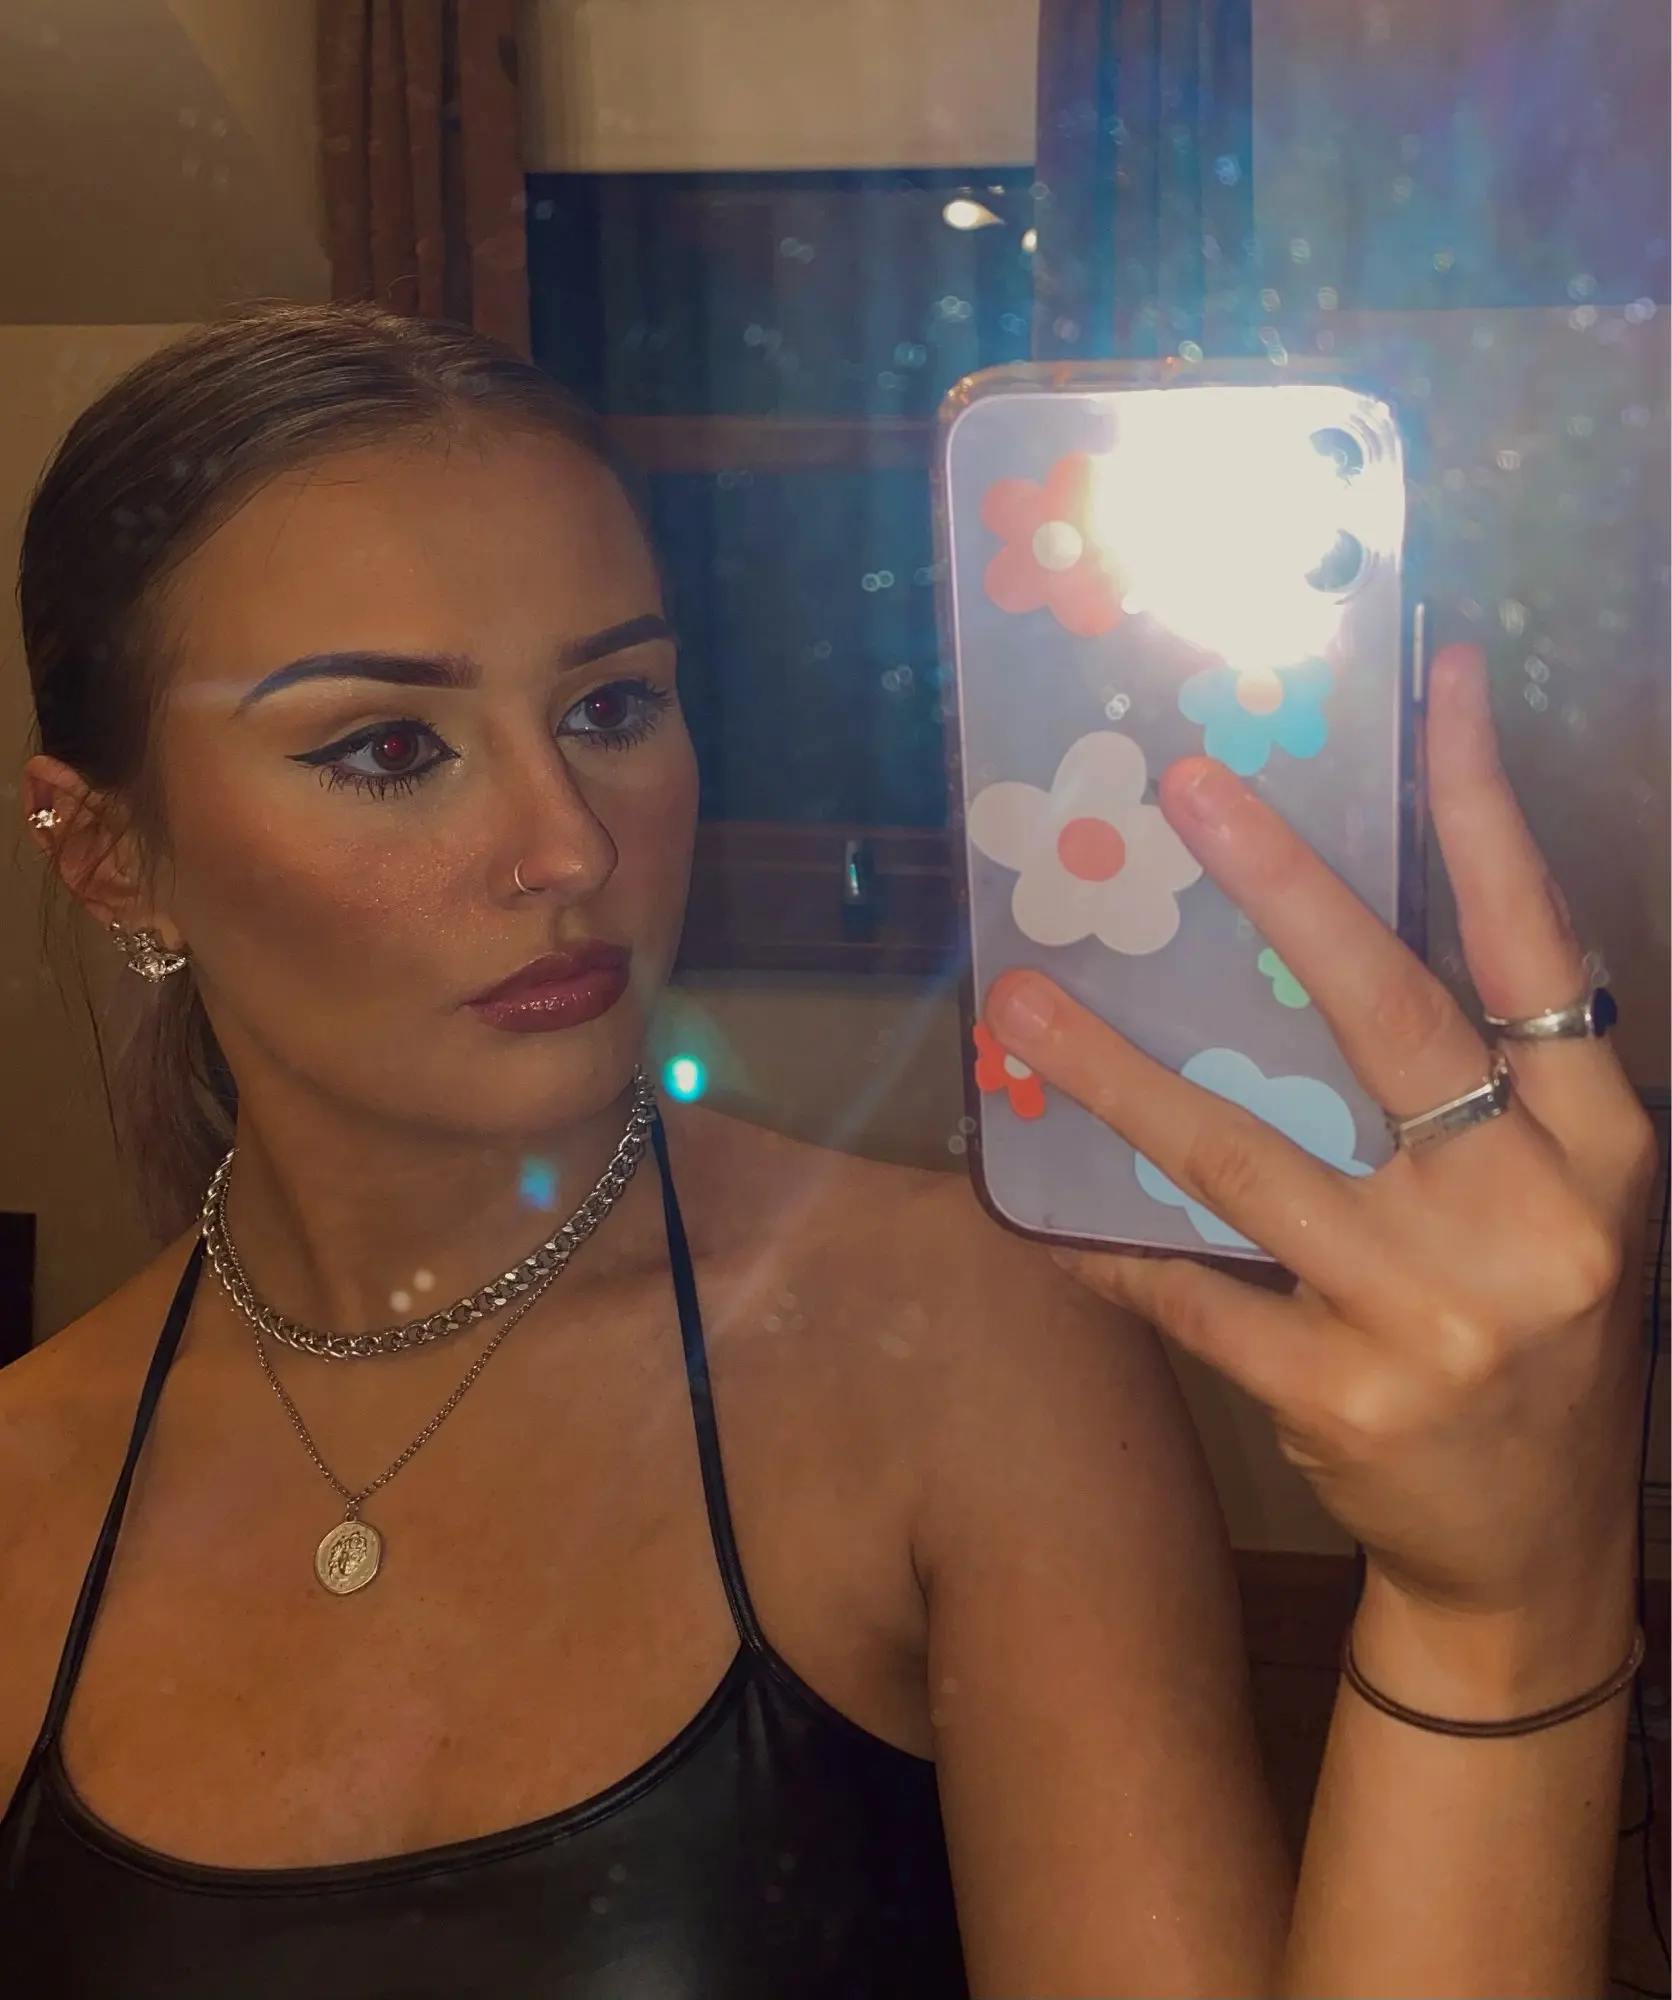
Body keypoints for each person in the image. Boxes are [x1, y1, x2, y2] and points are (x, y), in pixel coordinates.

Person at [0, 304, 1653, 1999]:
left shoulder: (963, 1343)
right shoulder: (26, 1483)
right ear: (110, 851)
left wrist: (1499, 1611)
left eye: (612, 705)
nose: (568, 846)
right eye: (390, 748)